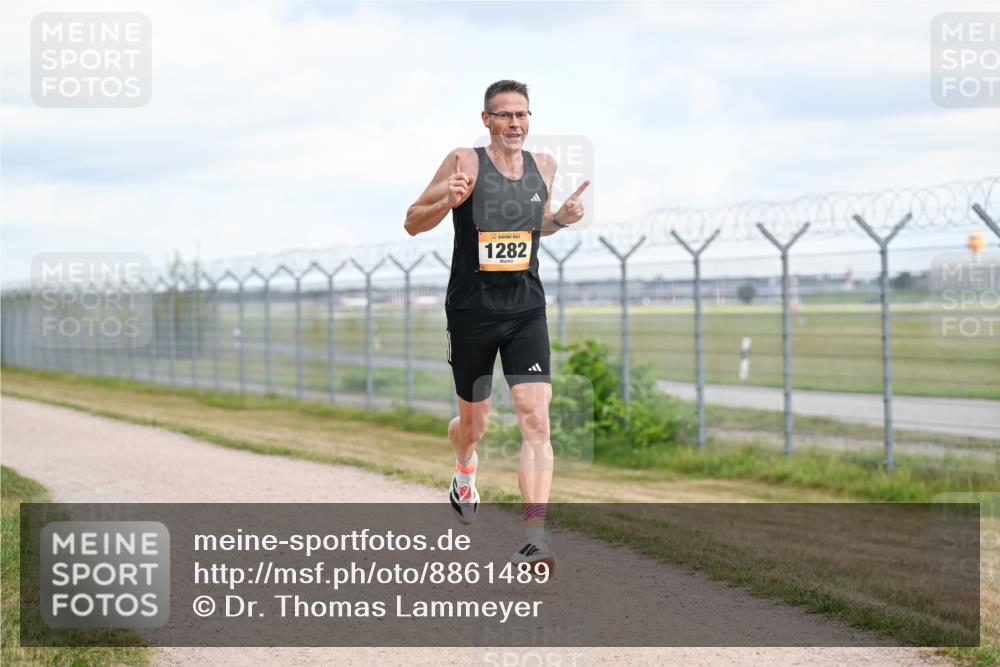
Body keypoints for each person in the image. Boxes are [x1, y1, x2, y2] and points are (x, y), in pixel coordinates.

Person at [404, 80, 589, 572]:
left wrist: (561, 219)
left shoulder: (543, 166)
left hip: (525, 306)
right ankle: (464, 467)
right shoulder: (464, 160)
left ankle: (534, 537)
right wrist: (448, 198)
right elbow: (412, 221)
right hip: (471, 309)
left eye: (522, 115)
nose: (515, 124)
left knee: (536, 417)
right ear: (486, 119)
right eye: (504, 115)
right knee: (475, 424)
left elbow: (535, 225)